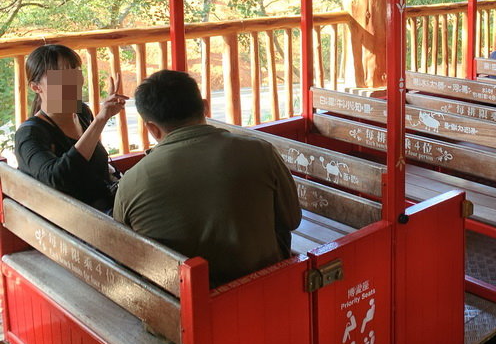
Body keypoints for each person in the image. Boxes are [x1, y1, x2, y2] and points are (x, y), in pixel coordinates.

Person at [113, 70, 301, 287]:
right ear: (205, 106)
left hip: (179, 302)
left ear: (152, 128)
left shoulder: (131, 182)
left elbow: (126, 255)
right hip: (259, 288)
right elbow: (291, 220)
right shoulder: (260, 151)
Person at [15, 44, 127, 211]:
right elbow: (58, 178)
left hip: (106, 208)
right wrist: (100, 120)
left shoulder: (82, 112)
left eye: (75, 73)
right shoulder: (30, 134)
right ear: (36, 87)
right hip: (76, 222)